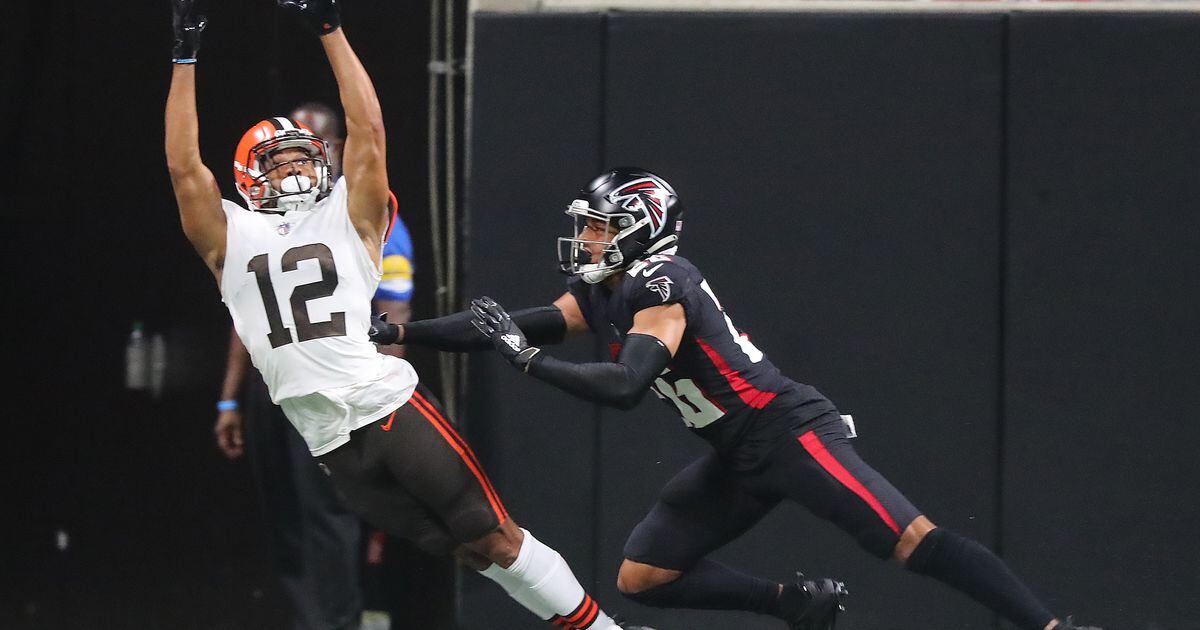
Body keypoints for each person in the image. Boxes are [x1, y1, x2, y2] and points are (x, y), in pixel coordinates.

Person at [369, 168, 1104, 630]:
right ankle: (796, 604)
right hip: (735, 450)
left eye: (599, 228)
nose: (587, 241)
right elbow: (507, 324)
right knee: (643, 577)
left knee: (910, 540)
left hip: (786, 432)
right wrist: (401, 330)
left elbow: (625, 387)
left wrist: (526, 362)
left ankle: (1048, 627)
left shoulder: (662, 283)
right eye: (588, 227)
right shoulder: (608, 291)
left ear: (640, 231)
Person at [164, 2, 644, 629]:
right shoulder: (230, 235)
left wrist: (331, 32)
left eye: (298, 157)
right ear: (247, 177)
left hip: (386, 408)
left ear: (322, 161)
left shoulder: (350, 213)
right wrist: (184, 56)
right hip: (327, 439)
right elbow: (182, 167)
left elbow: (369, 127)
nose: (290, 169)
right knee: (474, 553)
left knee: (497, 536)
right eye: (274, 162)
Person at [211, 100, 419, 630]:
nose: (293, 166)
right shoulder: (259, 219)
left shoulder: (361, 213)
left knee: (329, 513)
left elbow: (395, 314)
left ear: (334, 151)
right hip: (275, 380)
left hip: (335, 384)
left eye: (310, 149)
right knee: (285, 513)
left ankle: (340, 622)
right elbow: (249, 315)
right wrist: (231, 395)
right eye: (279, 157)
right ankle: (310, 620)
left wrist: (373, 404)